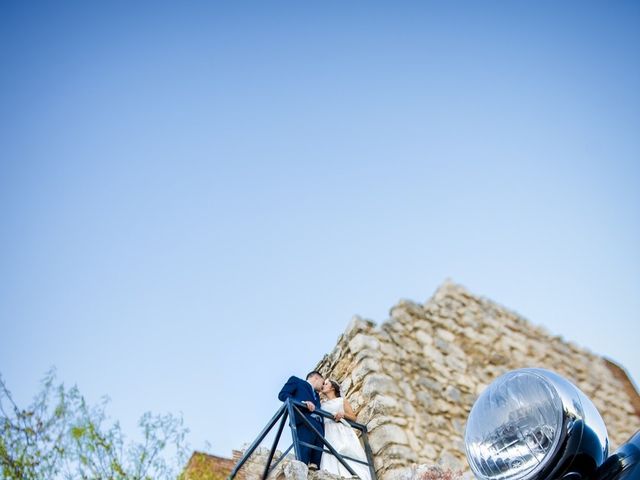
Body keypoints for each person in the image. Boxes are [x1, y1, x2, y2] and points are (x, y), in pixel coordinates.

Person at [320, 379, 372, 480]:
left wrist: (343, 414)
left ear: (332, 388)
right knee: (330, 455)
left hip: (341, 430)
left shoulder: (341, 400)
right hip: (328, 432)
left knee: (346, 452)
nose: (323, 386)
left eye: (326, 384)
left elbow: (353, 417)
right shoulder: (321, 404)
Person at [278, 371, 325, 470]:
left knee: (316, 465)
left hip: (318, 428)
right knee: (302, 459)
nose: (323, 385)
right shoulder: (296, 381)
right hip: (303, 422)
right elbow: (282, 394)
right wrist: (302, 403)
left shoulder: (317, 395)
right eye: (323, 382)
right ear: (316, 378)